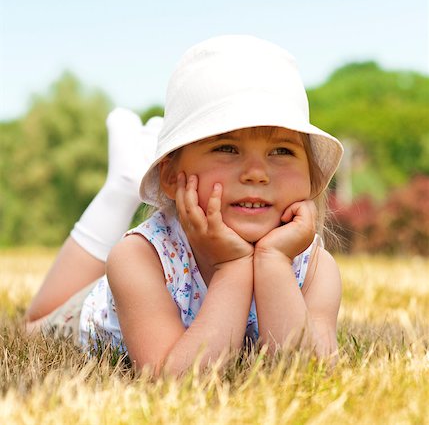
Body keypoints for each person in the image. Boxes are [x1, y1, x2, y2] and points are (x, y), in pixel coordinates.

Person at [26, 35, 344, 376]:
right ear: (172, 176)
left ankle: (127, 177)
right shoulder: (140, 258)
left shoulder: (315, 268)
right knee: (33, 323)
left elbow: (309, 373)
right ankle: (121, 187)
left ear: (311, 178)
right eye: (226, 148)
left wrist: (275, 262)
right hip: (89, 315)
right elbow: (174, 378)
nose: (256, 173)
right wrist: (232, 266)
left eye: (282, 151)